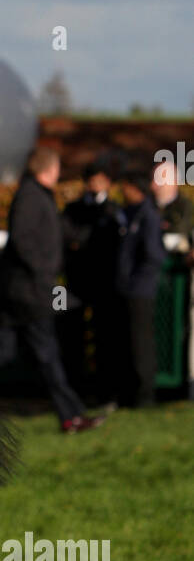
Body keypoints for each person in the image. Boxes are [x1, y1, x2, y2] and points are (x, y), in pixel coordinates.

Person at [0, 147, 104, 433]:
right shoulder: (32, 196)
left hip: (23, 290)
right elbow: (23, 241)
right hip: (29, 292)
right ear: (50, 170)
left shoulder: (35, 194)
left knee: (2, 349)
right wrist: (43, 273)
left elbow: (55, 233)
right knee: (47, 354)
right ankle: (71, 416)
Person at [61, 160, 125, 404]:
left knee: (105, 338)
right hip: (73, 284)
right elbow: (68, 237)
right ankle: (74, 390)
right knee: (71, 336)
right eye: (92, 179)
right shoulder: (72, 209)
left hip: (104, 285)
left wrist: (83, 243)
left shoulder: (114, 210)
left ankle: (104, 391)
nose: (96, 184)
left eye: (100, 179)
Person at [116, 170, 166, 408]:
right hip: (128, 289)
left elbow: (154, 255)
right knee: (127, 343)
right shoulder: (128, 213)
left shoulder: (148, 216)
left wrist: (135, 281)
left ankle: (145, 398)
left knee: (140, 345)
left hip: (140, 291)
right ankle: (128, 396)